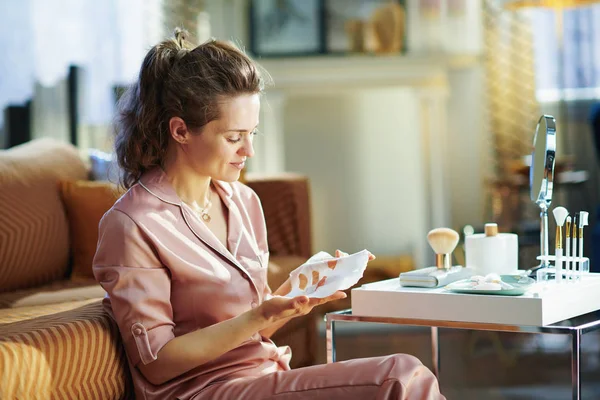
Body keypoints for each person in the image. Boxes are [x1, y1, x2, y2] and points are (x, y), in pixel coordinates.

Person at [92, 28, 445, 400]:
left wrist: (301, 291)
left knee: (403, 375)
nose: (249, 151)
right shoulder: (132, 225)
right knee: (399, 377)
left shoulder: (243, 201)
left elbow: (253, 327)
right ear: (180, 130)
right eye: (234, 137)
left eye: (253, 134)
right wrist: (260, 316)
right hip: (202, 391)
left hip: (264, 375)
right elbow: (157, 361)